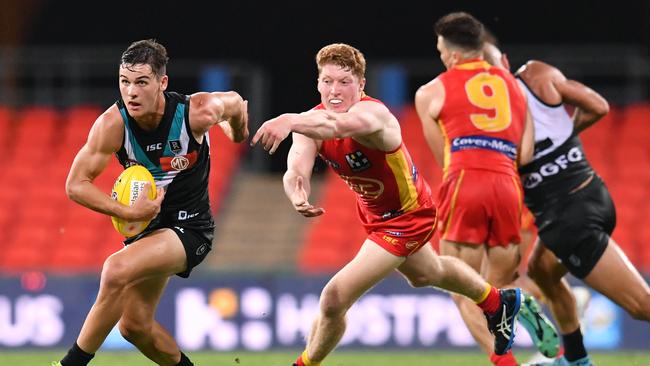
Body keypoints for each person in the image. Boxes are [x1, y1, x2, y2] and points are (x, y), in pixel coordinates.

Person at [252, 42, 526, 366]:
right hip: (375, 215)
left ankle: (304, 364)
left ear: (361, 84)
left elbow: (337, 126)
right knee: (428, 273)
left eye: (344, 82)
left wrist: (288, 119)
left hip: (409, 216)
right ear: (317, 83)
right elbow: (296, 168)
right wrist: (297, 192)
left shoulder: (374, 114)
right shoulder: (309, 122)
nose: (334, 90)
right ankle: (498, 301)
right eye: (327, 81)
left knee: (333, 299)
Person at [53, 39, 249, 366]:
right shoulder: (112, 124)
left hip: (191, 228)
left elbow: (237, 103)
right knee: (134, 328)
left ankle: (70, 364)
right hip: (147, 231)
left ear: (162, 82)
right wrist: (127, 211)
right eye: (125, 82)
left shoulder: (196, 112)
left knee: (115, 269)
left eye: (141, 82)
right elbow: (75, 185)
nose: (131, 92)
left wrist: (238, 132)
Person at [414, 12, 558, 366]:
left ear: (452, 55)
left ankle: (506, 363)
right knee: (500, 283)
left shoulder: (431, 91)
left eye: (441, 51)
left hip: (465, 181)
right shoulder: (514, 87)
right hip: (508, 185)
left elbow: (444, 156)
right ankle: (521, 300)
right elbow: (526, 153)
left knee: (464, 291)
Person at [511, 54, 650, 365]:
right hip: (587, 195)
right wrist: (565, 137)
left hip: (568, 217)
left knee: (642, 305)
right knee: (542, 271)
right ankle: (576, 359)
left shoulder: (496, 115)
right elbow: (599, 106)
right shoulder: (537, 75)